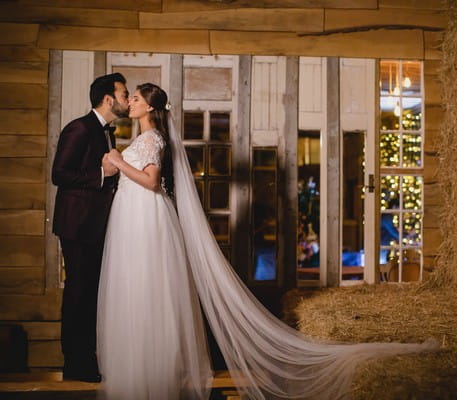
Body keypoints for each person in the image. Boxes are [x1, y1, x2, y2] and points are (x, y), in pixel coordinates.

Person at [98, 82, 437, 400]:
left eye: (137, 99)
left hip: (146, 218)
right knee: (136, 289)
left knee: (147, 292)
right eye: (131, 98)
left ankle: (151, 376)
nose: (131, 102)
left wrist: (117, 161)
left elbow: (151, 181)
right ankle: (136, 371)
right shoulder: (140, 141)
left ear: (150, 107)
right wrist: (113, 165)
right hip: (133, 219)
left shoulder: (153, 139)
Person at [51, 72, 129, 382]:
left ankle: (87, 360)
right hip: (77, 225)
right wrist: (100, 172)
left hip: (96, 226)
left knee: (91, 295)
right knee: (79, 293)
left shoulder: (107, 131)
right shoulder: (79, 128)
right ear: (109, 98)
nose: (126, 99)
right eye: (123, 94)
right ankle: (75, 364)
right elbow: (60, 174)